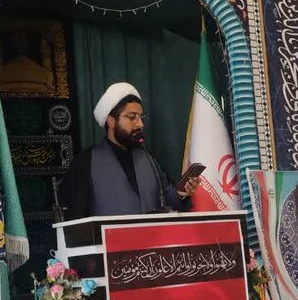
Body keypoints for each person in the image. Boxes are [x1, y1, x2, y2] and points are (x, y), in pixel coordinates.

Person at [59, 82, 199, 219]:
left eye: (141, 117)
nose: (140, 124)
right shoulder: (86, 162)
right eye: (132, 117)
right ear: (111, 121)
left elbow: (169, 198)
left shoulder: (148, 158)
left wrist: (182, 192)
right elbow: (75, 218)